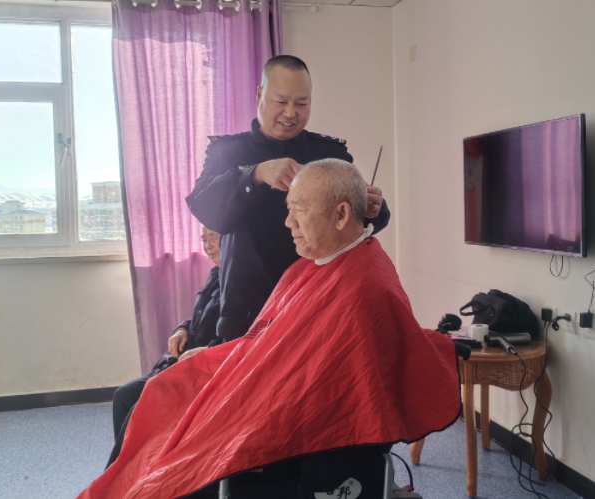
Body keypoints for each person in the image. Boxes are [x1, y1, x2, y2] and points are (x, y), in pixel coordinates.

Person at [78, 160, 460, 499]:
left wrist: (236, 393)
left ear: (342, 214)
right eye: (288, 209)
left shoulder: (363, 290)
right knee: (155, 394)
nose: (288, 223)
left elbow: (321, 388)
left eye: (299, 211)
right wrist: (218, 356)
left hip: (272, 410)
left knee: (166, 442)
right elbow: (272, 341)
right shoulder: (315, 266)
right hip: (252, 375)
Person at [186, 55, 391, 344]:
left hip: (317, 304)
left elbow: (360, 222)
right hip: (248, 310)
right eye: (281, 102)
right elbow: (207, 210)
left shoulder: (328, 153)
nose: (291, 113)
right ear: (260, 94)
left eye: (302, 103)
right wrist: (255, 175)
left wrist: (373, 208)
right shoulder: (227, 152)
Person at [108, 227, 221, 467]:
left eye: (213, 236)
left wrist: (207, 351)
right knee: (123, 396)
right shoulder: (216, 273)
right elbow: (199, 318)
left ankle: (124, 472)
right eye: (203, 239)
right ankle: (124, 469)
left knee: (137, 409)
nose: (207, 244)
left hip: (202, 372)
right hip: (178, 362)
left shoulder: (241, 282)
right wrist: (181, 329)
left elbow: (241, 336)